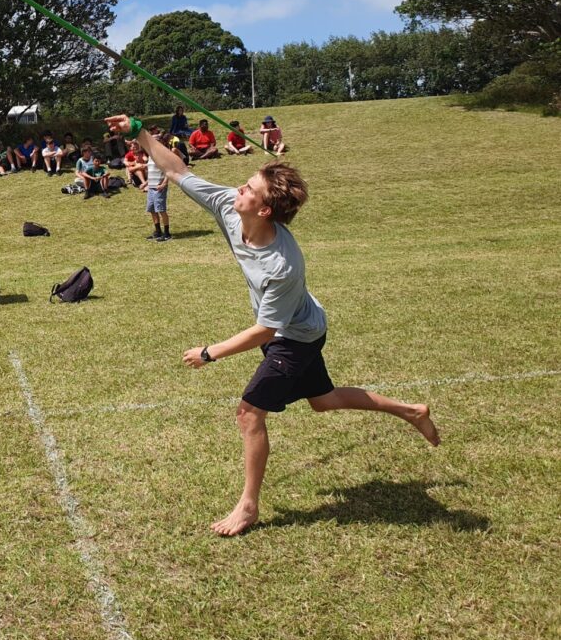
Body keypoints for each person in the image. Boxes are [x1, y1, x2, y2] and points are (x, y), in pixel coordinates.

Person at [104, 113, 440, 537]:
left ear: (264, 208)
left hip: (294, 337)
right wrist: (139, 133)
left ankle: (248, 507)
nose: (238, 189)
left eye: (249, 188)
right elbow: (176, 169)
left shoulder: (282, 264)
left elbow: (265, 331)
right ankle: (411, 410)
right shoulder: (230, 205)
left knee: (249, 413)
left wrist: (210, 353)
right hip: (296, 327)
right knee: (324, 400)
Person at [143, 133, 170, 240]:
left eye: (157, 140)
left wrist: (164, 184)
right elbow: (151, 171)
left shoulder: (163, 154)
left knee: (161, 210)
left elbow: (168, 171)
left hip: (160, 186)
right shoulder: (150, 154)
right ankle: (158, 231)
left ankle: (167, 234)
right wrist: (146, 183)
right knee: (152, 210)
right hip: (151, 186)